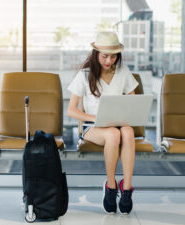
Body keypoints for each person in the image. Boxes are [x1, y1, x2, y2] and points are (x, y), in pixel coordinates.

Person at [67, 31, 138, 214]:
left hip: (118, 123)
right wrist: (95, 118)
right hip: (93, 127)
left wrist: (124, 115)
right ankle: (111, 185)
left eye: (113, 56)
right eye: (105, 56)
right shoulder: (84, 75)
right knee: (113, 134)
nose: (109, 61)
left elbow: (133, 102)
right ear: (96, 54)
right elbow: (72, 110)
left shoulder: (123, 72)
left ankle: (127, 188)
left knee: (128, 132)